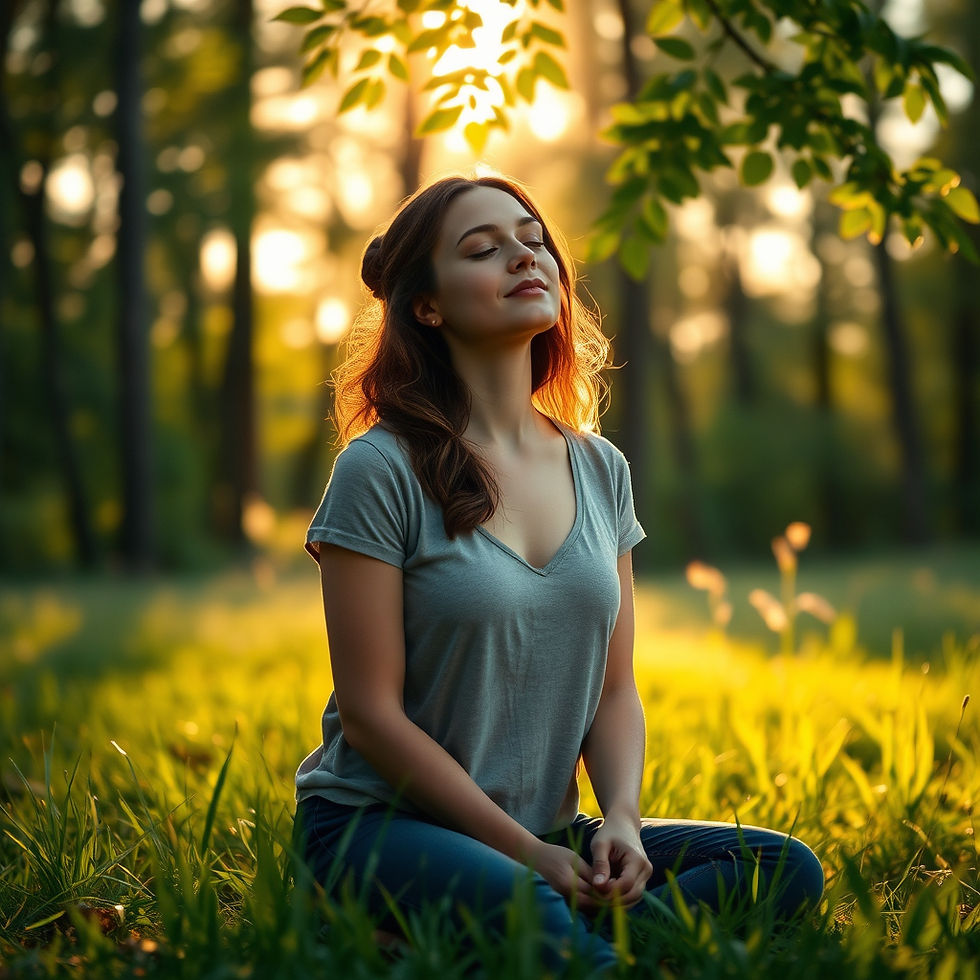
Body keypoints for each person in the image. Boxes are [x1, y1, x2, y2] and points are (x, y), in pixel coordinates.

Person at [293, 174, 824, 973]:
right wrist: (524, 857)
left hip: (548, 830)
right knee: (536, 906)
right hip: (380, 824)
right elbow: (371, 716)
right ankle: (552, 936)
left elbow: (614, 691)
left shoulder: (601, 467)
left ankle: (522, 934)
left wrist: (620, 819)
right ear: (427, 306)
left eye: (532, 238)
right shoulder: (380, 468)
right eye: (483, 248)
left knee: (785, 868)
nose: (522, 255)